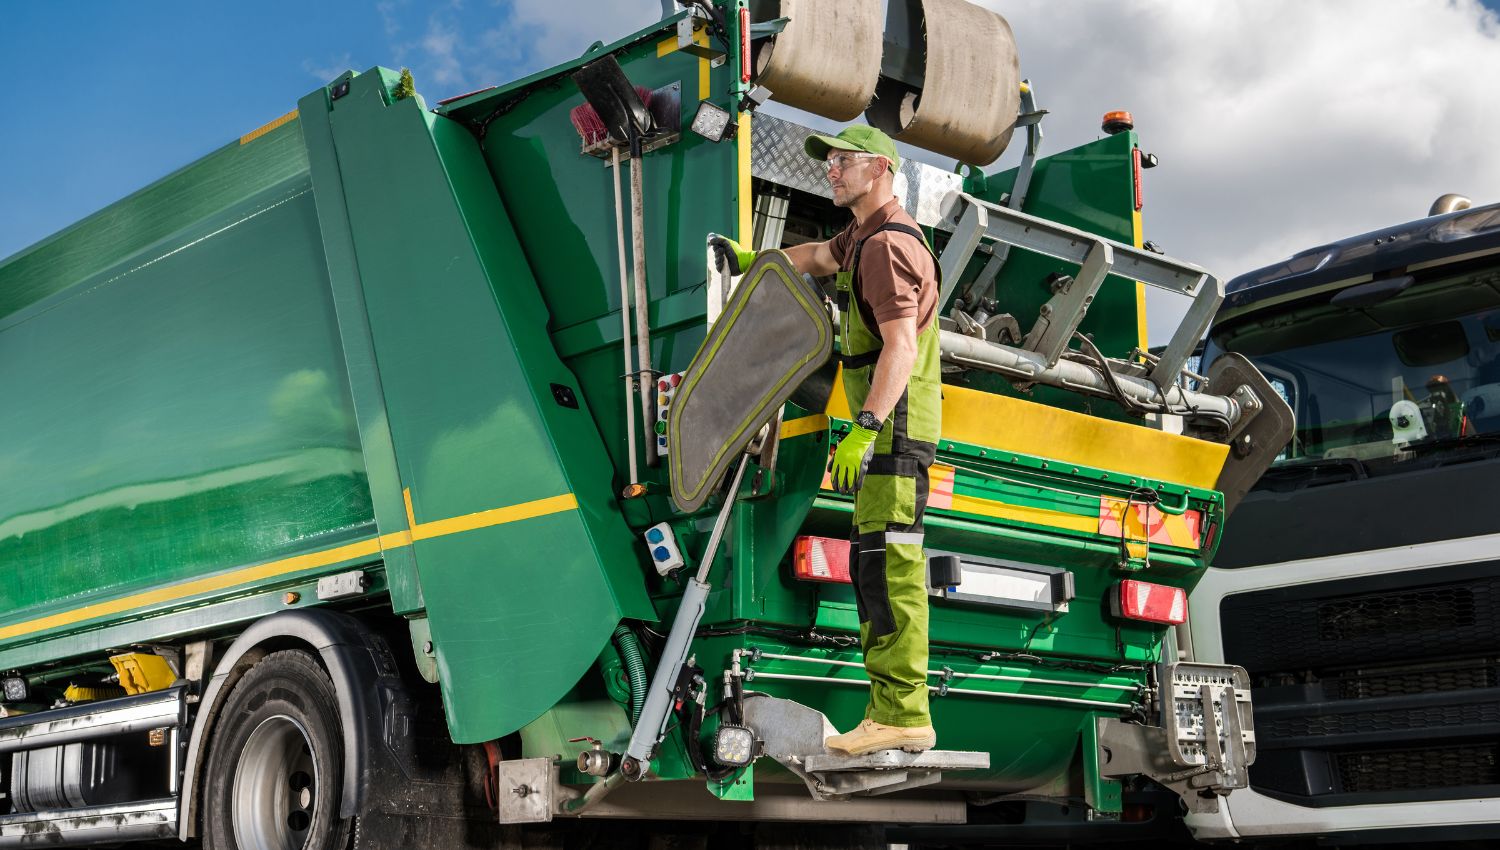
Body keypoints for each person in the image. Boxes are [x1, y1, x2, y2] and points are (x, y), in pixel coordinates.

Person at [710, 125, 942, 756]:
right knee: (876, 570)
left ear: (882, 169)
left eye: (844, 161)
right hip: (889, 430)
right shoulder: (862, 236)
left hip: (893, 430)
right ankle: (893, 710)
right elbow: (814, 257)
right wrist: (756, 260)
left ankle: (901, 713)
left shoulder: (887, 249)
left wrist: (863, 430)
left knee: (889, 573)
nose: (831, 171)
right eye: (829, 161)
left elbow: (900, 346)